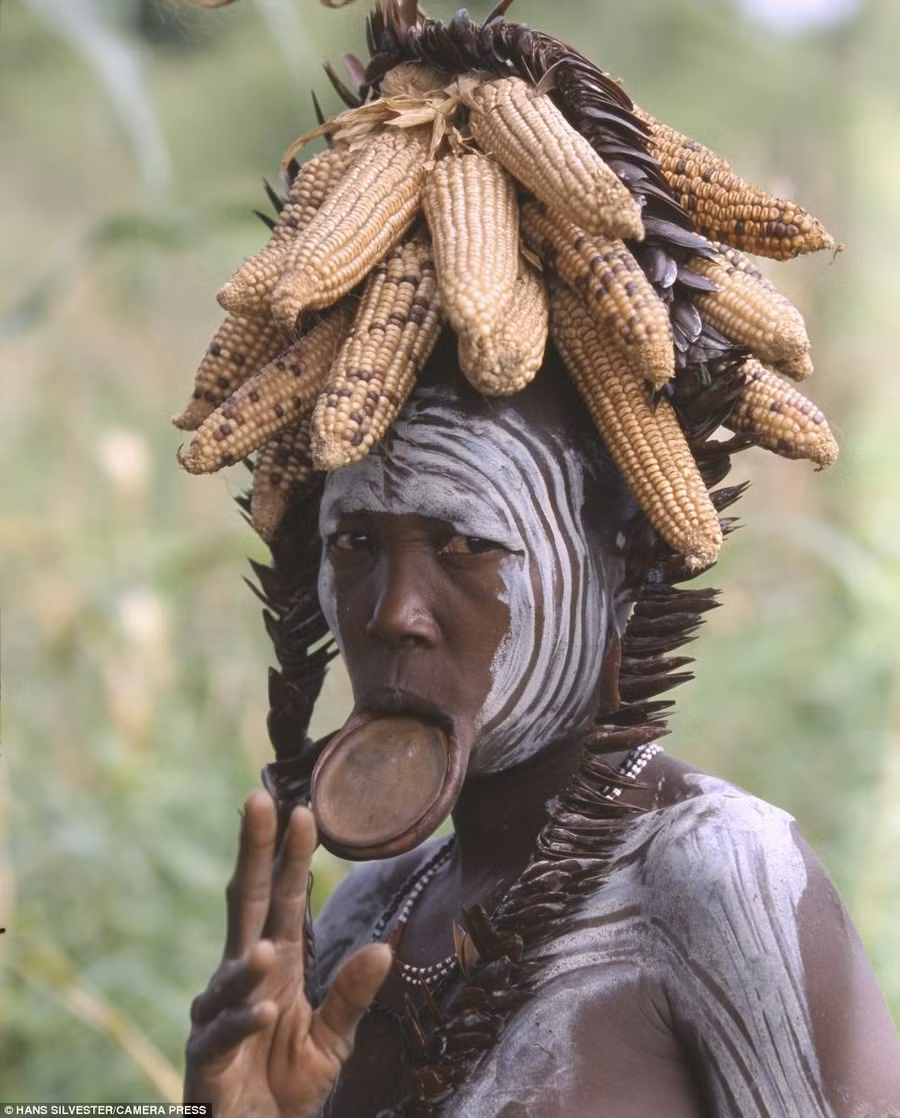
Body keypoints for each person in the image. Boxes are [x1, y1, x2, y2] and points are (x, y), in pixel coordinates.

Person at [175, 3, 900, 1114]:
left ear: (613, 558)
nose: (394, 611)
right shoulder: (364, 921)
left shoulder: (716, 877)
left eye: (465, 545)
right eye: (358, 542)